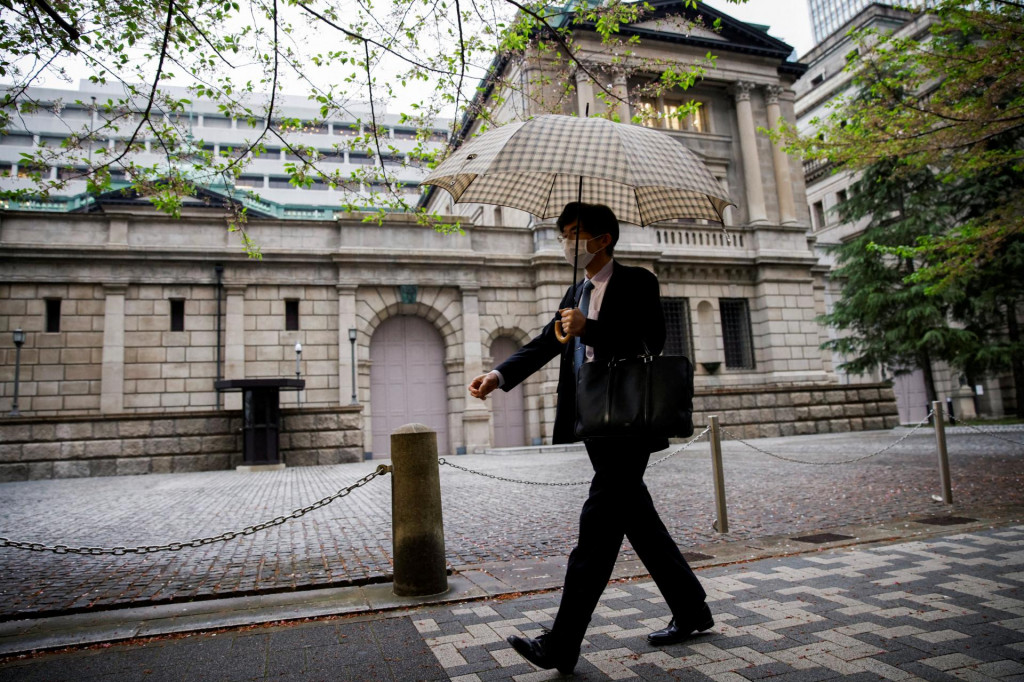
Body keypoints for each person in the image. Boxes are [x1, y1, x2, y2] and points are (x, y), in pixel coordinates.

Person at [467, 202, 712, 675]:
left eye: (575, 232)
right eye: (564, 233)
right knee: (638, 521)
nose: (566, 242)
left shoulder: (638, 280)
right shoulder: (575, 290)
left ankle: (562, 644)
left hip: (631, 421)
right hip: (593, 422)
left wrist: (592, 328)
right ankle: (692, 608)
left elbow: (652, 341)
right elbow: (545, 342)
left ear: (604, 238)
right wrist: (497, 376)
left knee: (596, 534)